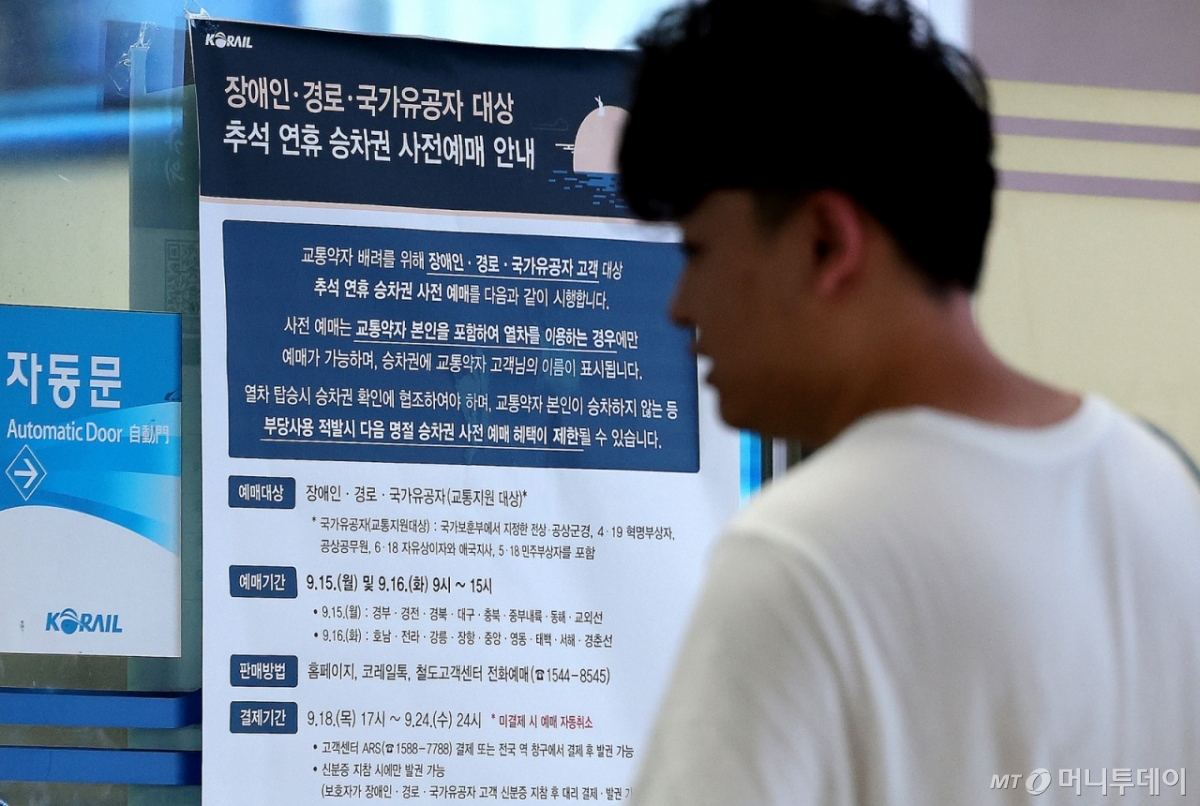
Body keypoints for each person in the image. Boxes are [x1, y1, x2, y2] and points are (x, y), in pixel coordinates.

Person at [617, 0, 1200, 803]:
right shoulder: (1166, 493)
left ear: (826, 242)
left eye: (698, 251)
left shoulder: (802, 555)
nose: (681, 305)